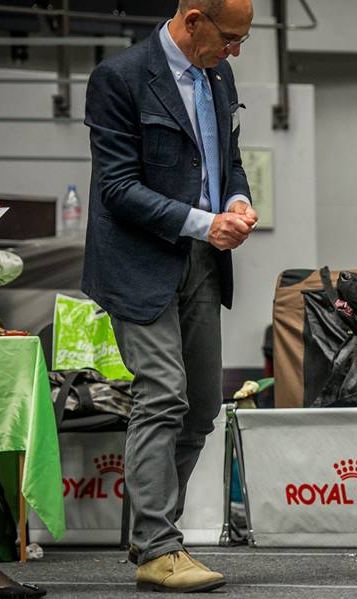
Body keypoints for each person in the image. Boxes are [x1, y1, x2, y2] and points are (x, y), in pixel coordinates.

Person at [83, 0, 256, 592]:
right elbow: (116, 188)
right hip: (138, 265)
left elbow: (226, 161)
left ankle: (153, 538)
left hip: (203, 261)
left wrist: (234, 200)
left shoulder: (219, 74)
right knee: (163, 394)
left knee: (203, 407)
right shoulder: (120, 77)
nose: (235, 50)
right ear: (193, 20)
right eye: (230, 37)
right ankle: (158, 548)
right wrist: (202, 222)